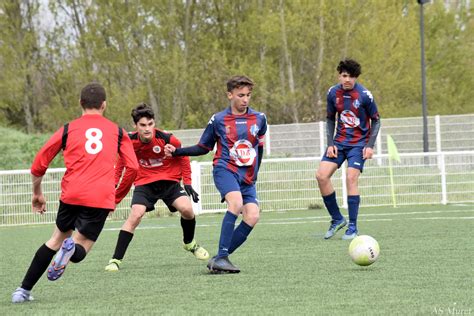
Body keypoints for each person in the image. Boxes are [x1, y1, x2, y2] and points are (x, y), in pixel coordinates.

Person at [11, 83, 139, 303]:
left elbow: (39, 164)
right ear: (104, 105)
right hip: (100, 197)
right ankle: (70, 252)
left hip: (72, 193)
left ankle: (22, 291)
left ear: (80, 103)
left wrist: (37, 193)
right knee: (82, 247)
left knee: (55, 240)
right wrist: (116, 197)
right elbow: (134, 167)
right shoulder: (117, 131)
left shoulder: (68, 129)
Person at [164, 75, 267, 273]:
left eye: (248, 95)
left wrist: (256, 172)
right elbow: (203, 147)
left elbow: (259, 148)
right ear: (230, 95)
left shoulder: (260, 119)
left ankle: (221, 257)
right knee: (235, 204)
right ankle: (221, 257)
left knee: (252, 216)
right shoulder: (218, 119)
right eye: (240, 95)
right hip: (225, 169)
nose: (245, 99)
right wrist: (178, 152)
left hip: (247, 177)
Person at [104, 103, 209, 272]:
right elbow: (122, 162)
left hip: (169, 182)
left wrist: (187, 181)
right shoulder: (129, 141)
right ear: (135, 126)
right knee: (135, 215)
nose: (147, 129)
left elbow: (183, 157)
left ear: (154, 123)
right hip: (145, 183)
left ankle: (189, 243)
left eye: (150, 124)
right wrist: (113, 184)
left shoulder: (168, 138)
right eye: (143, 125)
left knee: (188, 210)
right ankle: (115, 260)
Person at [316, 59, 381, 240]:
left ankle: (352, 227)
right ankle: (337, 219)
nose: (347, 80)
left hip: (358, 145)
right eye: (344, 75)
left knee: (351, 177)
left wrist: (369, 146)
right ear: (339, 75)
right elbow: (330, 119)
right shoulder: (332, 93)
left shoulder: (365, 95)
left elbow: (376, 120)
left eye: (351, 76)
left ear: (356, 78)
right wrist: (330, 143)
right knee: (321, 176)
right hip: (339, 143)